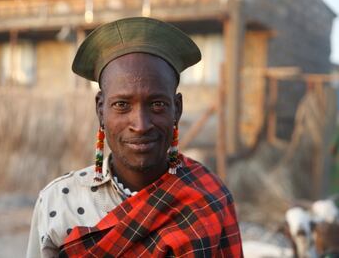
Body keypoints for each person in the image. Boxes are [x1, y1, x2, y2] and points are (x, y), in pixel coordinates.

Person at [26, 17, 243, 258]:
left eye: (157, 104)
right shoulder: (58, 202)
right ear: (100, 109)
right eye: (121, 104)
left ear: (177, 109)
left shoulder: (209, 198)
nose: (140, 125)